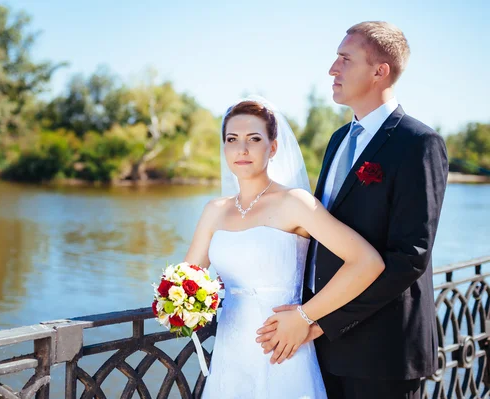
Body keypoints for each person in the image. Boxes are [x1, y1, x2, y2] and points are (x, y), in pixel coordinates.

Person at [256, 21, 449, 399]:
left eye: (345, 59)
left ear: (380, 71)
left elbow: (410, 258)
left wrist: (317, 320)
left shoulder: (419, 143)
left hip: (383, 350)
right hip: (324, 344)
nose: (332, 69)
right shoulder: (339, 139)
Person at [184, 96, 385, 398]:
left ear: (273, 147)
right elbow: (187, 279)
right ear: (224, 147)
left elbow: (367, 262)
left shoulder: (295, 203)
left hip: (283, 344)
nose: (242, 149)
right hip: (230, 350)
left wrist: (305, 316)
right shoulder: (214, 210)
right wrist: (176, 304)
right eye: (232, 139)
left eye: (254, 139)